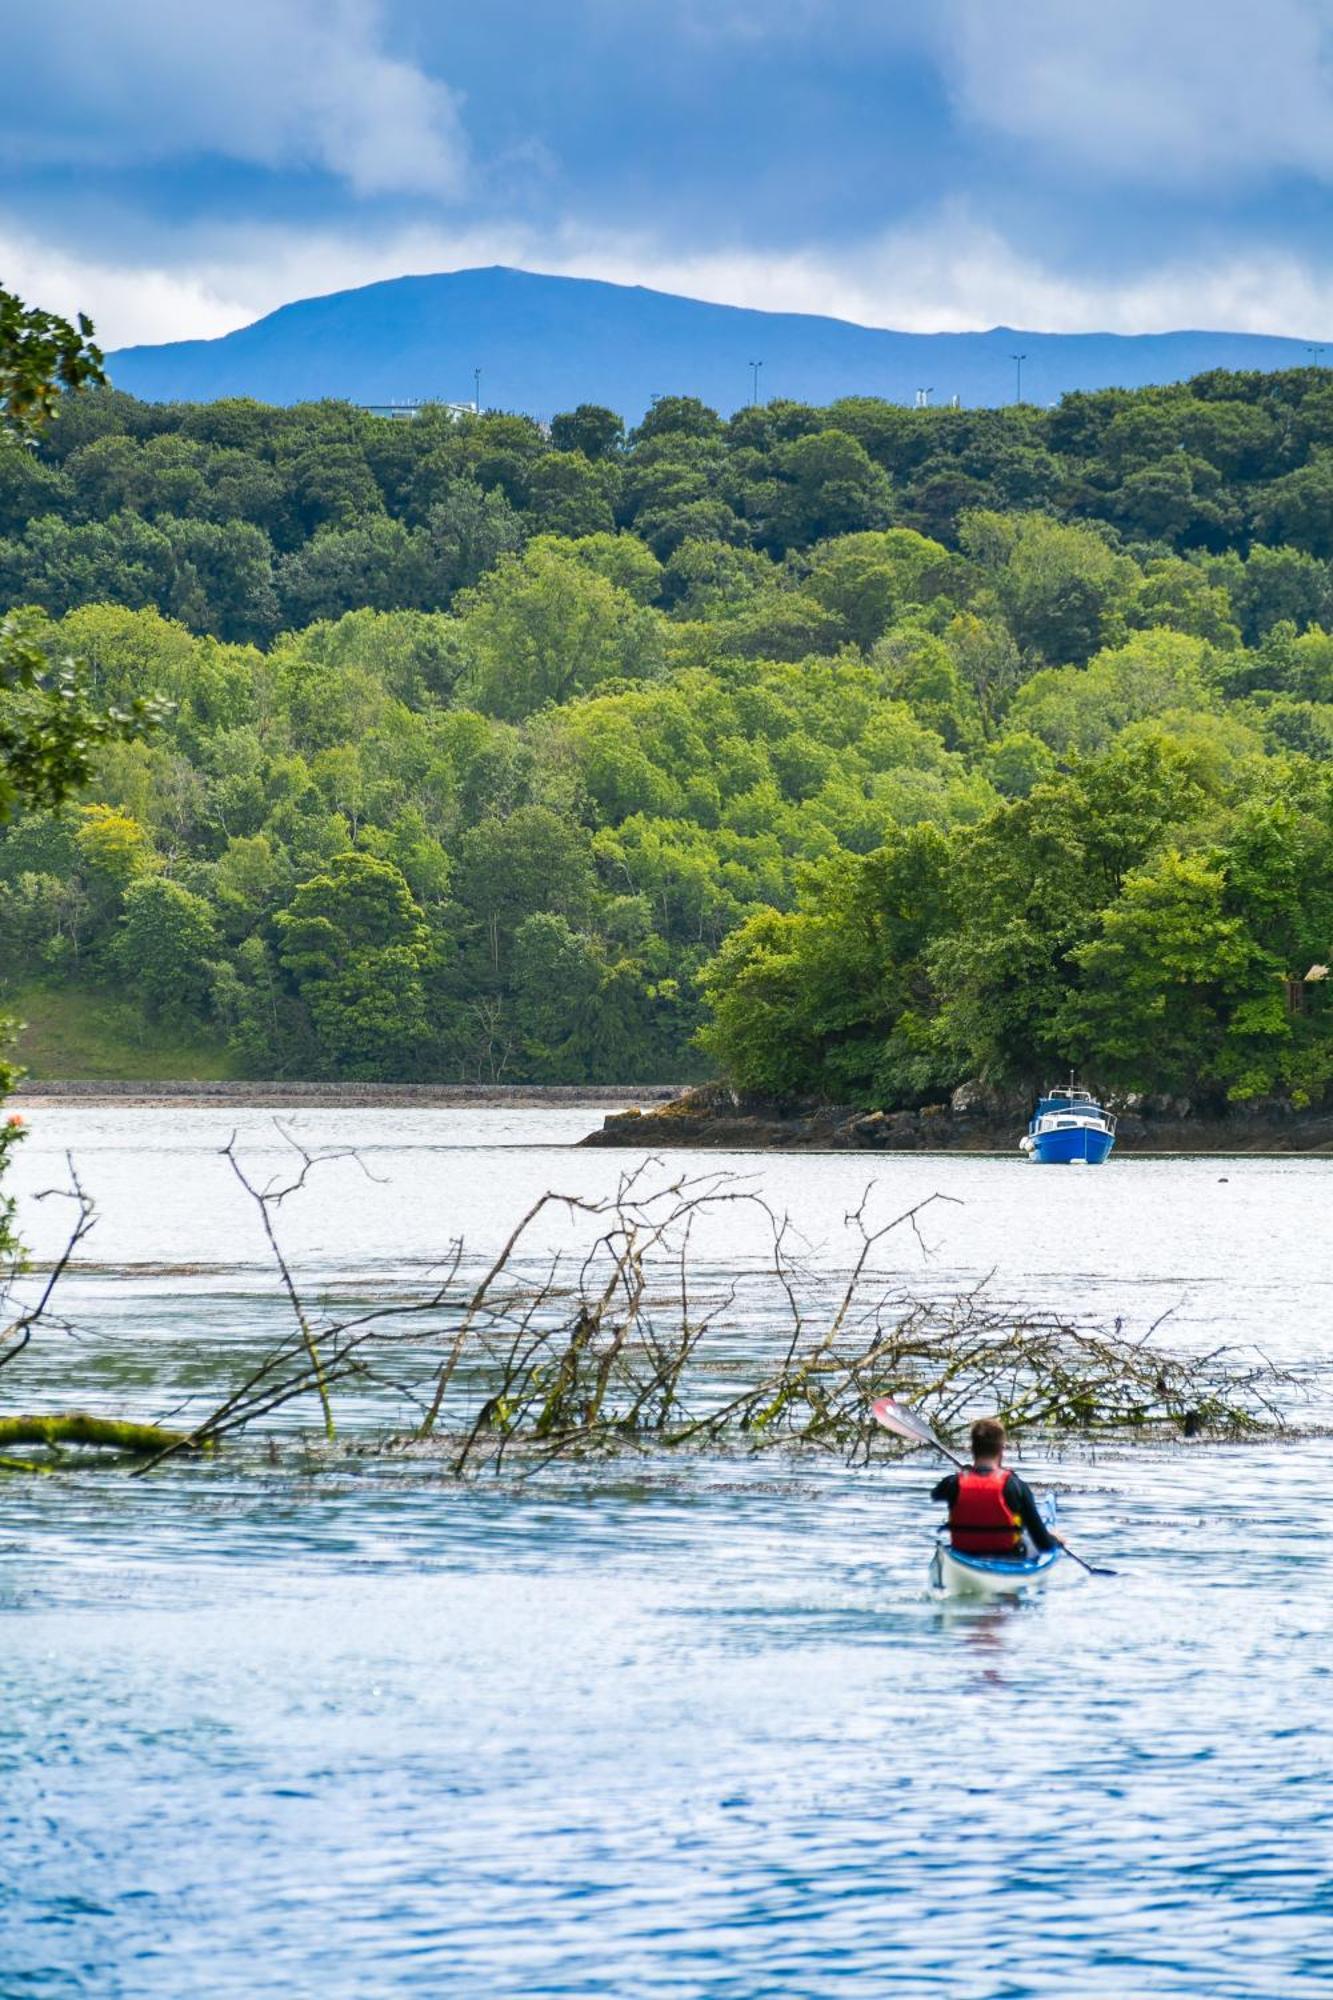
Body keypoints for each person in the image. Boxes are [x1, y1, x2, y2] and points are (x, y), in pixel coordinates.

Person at [931, 1417, 1058, 1560]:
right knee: (1031, 1540)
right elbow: (1044, 1545)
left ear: (972, 1449)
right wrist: (1054, 1540)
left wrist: (964, 1474)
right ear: (1001, 1450)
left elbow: (935, 1494)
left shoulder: (952, 1484)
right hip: (1008, 1558)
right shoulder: (1016, 1486)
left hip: (963, 1555)